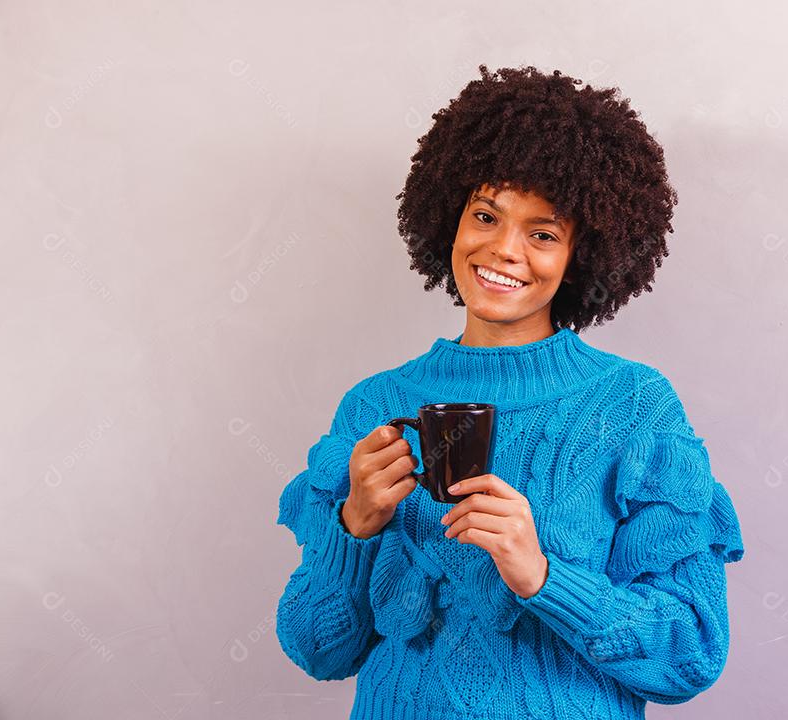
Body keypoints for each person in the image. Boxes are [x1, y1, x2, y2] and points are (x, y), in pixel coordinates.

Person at [275, 64, 744, 720]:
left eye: (543, 233)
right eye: (487, 215)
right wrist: (355, 524)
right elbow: (319, 649)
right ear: (450, 220)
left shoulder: (634, 407)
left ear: (583, 254)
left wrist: (542, 577)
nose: (503, 250)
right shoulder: (374, 405)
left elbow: (690, 652)